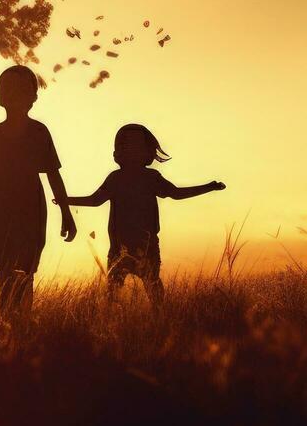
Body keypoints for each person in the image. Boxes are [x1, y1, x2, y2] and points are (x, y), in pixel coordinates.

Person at [57, 123, 224, 302]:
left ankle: (146, 321)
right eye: (128, 147)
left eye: (135, 147)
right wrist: (66, 200)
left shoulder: (134, 178)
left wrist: (65, 200)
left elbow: (95, 200)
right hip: (127, 247)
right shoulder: (129, 178)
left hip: (140, 246)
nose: (132, 152)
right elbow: (175, 194)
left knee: (132, 289)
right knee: (137, 289)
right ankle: (151, 320)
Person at [0, 65, 76, 318]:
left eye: (22, 90)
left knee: (26, 275)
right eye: (9, 89)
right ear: (0, 97)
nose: (15, 95)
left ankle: (23, 327)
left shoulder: (39, 133)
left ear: (33, 97)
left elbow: (53, 174)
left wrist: (66, 213)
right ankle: (6, 326)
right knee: (5, 273)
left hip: (31, 214)